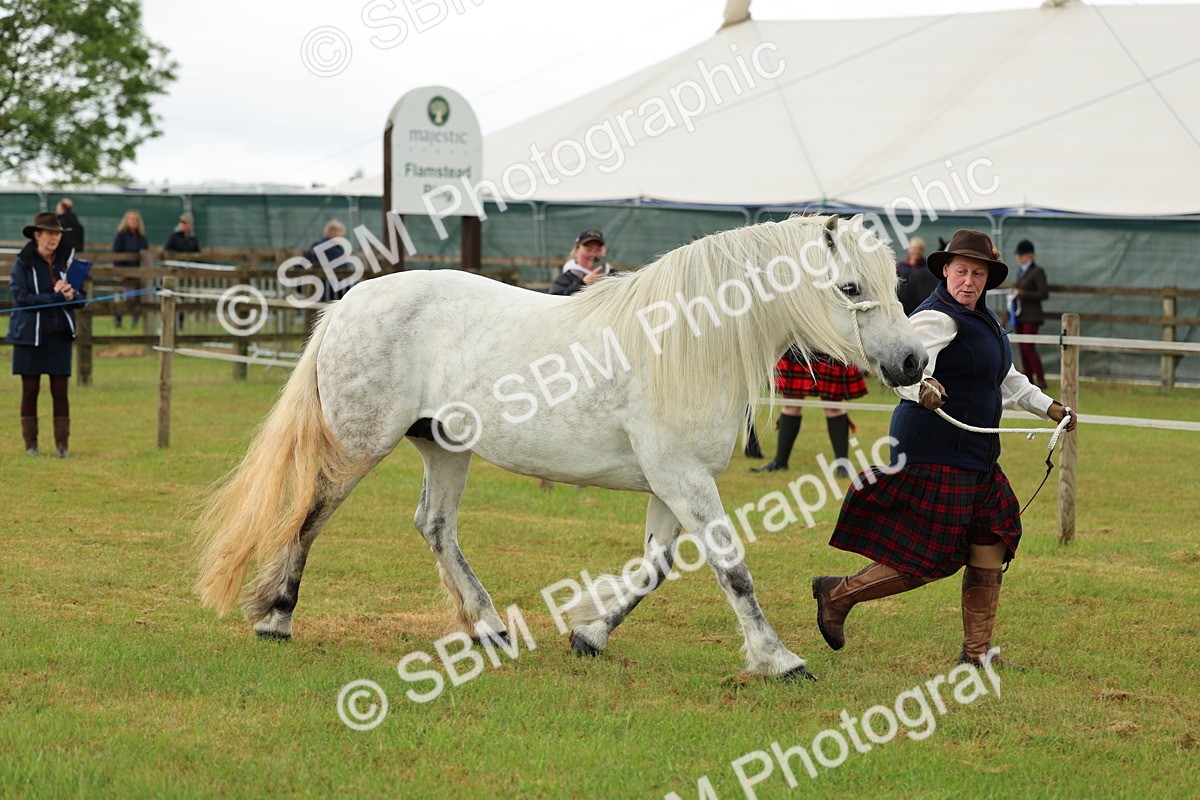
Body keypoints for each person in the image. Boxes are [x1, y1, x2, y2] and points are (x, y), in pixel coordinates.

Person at [812, 229, 1077, 669]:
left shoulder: (986, 320)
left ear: (987, 279)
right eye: (961, 271)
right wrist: (923, 389)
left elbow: (1006, 378)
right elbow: (906, 369)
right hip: (933, 448)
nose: (968, 281)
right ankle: (837, 595)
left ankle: (976, 654)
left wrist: (1049, 407)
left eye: (977, 273)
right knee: (925, 558)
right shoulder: (936, 317)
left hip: (976, 454)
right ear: (946, 272)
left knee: (991, 540)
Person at [7, 213, 85, 457]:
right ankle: (31, 444)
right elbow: (23, 299)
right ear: (37, 235)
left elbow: (80, 300)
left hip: (58, 336)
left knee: (60, 390)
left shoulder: (66, 263)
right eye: (50, 233)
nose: (55, 238)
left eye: (58, 233)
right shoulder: (22, 264)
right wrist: (57, 298)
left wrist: (72, 296)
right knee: (30, 390)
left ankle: (62, 445)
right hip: (29, 337)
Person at [750, 350, 866, 476]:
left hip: (827, 346)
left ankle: (842, 465)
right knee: (791, 404)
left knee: (833, 406)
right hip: (798, 345)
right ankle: (780, 461)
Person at [1010, 239, 1049, 389]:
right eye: (1018, 254)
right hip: (1020, 315)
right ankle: (1028, 378)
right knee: (1022, 347)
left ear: (1030, 255)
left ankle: (1040, 378)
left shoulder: (1037, 271)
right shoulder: (1021, 272)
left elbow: (1043, 293)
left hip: (1032, 315)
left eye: (1021, 254)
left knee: (1028, 347)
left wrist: (1023, 294)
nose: (1018, 257)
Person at [303, 220, 355, 302]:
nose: (342, 238)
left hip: (317, 290)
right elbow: (342, 269)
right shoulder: (333, 250)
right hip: (331, 291)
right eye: (341, 234)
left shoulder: (316, 246)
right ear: (333, 233)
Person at [112, 210, 148, 328]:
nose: (134, 222)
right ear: (126, 221)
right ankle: (118, 319)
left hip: (138, 272)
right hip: (124, 271)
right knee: (126, 297)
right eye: (131, 219)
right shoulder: (121, 235)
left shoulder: (141, 237)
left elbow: (145, 254)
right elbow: (116, 254)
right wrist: (120, 271)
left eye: (136, 220)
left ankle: (135, 319)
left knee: (137, 297)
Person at [550, 229, 611, 296]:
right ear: (576, 251)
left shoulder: (614, 275)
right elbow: (555, 299)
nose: (593, 254)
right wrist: (582, 284)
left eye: (599, 250)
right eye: (588, 249)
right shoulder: (565, 279)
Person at [895, 236, 938, 316]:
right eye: (915, 249)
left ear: (923, 251)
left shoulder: (929, 267)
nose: (917, 251)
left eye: (920, 249)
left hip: (922, 304)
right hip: (905, 303)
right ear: (909, 249)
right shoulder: (900, 267)